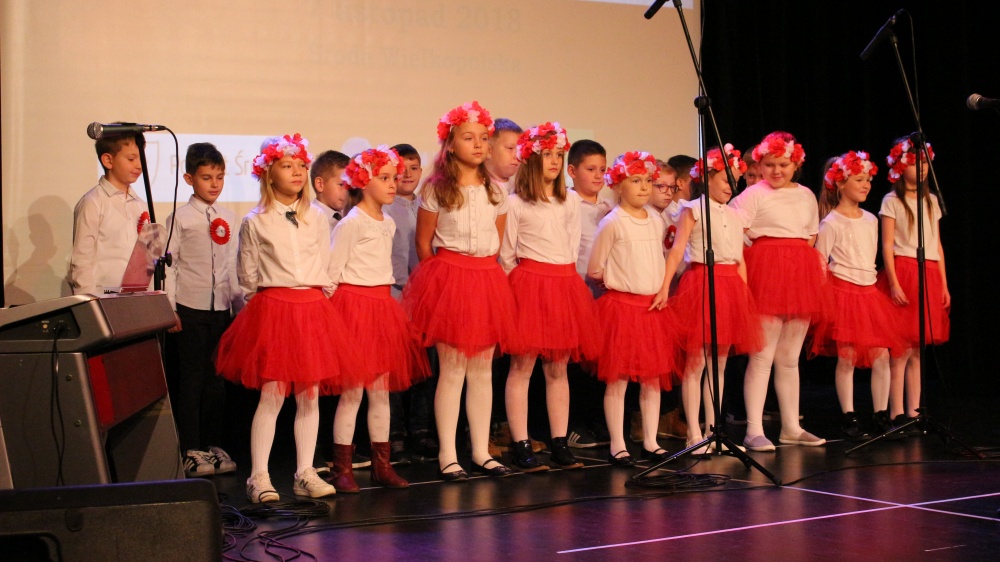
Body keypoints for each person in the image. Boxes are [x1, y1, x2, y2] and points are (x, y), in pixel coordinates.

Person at [215, 134, 352, 502]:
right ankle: (258, 476)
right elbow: (247, 277)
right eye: (287, 166)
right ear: (268, 173)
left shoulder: (317, 217)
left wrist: (314, 301)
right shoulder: (256, 220)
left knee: (309, 394)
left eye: (301, 166)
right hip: (275, 308)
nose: (296, 172)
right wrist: (272, 306)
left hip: (311, 308)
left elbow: (325, 265)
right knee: (273, 394)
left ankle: (304, 472)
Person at [403, 101, 518, 481]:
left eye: (484, 138)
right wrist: (440, 286)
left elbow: (496, 242)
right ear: (450, 145)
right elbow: (424, 243)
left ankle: (481, 451)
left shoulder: (496, 191)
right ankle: (448, 454)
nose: (479, 144)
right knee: (452, 371)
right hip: (450, 280)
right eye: (469, 138)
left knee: (482, 371)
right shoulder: (437, 188)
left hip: (485, 279)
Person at [325, 146, 431, 492]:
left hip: (382, 308)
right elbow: (332, 273)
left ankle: (381, 465)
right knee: (352, 393)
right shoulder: (352, 222)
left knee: (381, 392)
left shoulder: (388, 222)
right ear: (363, 182)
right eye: (384, 178)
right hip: (355, 309)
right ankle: (342, 467)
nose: (392, 184)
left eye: (393, 177)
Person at [501, 121, 601, 472]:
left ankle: (559, 441)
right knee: (522, 367)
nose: (556, 161)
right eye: (547, 155)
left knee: (558, 368)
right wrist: (520, 291)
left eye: (559, 154)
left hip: (563, 284)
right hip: (529, 285)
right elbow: (507, 255)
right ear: (532, 159)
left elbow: (572, 245)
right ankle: (521, 443)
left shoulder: (569, 200)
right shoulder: (515, 203)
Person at [729, 131, 828, 452]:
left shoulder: (806, 195)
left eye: (783, 165)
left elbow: (810, 235)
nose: (776, 171)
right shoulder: (753, 195)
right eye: (769, 165)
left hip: (798, 275)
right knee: (762, 355)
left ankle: (791, 427)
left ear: (795, 164)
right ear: (759, 165)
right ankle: (754, 430)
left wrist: (796, 264)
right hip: (765, 274)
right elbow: (734, 233)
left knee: (789, 357)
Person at [660, 145, 763, 454]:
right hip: (702, 283)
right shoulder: (692, 209)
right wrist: (664, 287)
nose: (731, 185)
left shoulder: (735, 214)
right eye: (725, 179)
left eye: (735, 180)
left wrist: (744, 296)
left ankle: (713, 430)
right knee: (695, 363)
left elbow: (739, 259)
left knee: (718, 365)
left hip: (730, 286)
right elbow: (677, 251)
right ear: (707, 177)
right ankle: (693, 433)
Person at [589, 151, 678, 465]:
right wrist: (617, 284)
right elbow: (595, 268)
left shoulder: (655, 219)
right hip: (622, 310)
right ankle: (618, 443)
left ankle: (651, 441)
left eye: (647, 181)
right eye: (635, 181)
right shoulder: (613, 222)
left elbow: (660, 259)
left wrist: (661, 288)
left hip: (652, 310)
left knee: (652, 379)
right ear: (618, 186)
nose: (643, 187)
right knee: (619, 379)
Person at [163, 142, 242, 477]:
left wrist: (238, 307)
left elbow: (233, 266)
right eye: (207, 177)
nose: (214, 184)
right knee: (191, 381)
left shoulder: (229, 217)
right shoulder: (179, 218)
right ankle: (190, 448)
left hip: (220, 309)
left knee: (216, 382)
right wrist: (169, 308)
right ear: (189, 179)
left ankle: (212, 444)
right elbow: (169, 266)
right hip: (190, 308)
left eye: (219, 177)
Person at [811, 151, 897, 440]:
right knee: (847, 357)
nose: (866, 185)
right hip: (843, 294)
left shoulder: (871, 219)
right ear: (841, 183)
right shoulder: (831, 222)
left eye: (868, 180)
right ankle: (849, 416)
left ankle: (881, 414)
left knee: (881, 355)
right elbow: (820, 262)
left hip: (869, 293)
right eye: (859, 180)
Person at [878, 137, 950, 431]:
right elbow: (887, 245)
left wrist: (944, 284)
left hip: (929, 272)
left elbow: (937, 244)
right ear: (899, 167)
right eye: (913, 163)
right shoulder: (892, 201)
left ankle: (915, 411)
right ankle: (896, 413)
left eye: (924, 163)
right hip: (905, 270)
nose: (920, 168)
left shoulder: (930, 200)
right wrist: (894, 283)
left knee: (917, 349)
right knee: (901, 349)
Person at [384, 143, 439, 464]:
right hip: (393, 295)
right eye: (400, 169)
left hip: (425, 298)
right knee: (394, 369)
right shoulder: (382, 207)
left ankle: (420, 430)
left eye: (414, 168)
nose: (407, 175)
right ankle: (394, 434)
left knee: (424, 367)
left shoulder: (428, 205)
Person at [564, 139, 613, 449]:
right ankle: (573, 425)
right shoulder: (567, 204)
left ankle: (597, 420)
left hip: (603, 295)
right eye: (591, 169)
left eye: (602, 170)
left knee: (598, 360)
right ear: (572, 171)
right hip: (575, 291)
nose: (598, 176)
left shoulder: (608, 208)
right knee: (573, 362)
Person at [70, 129, 150, 296]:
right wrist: (89, 302)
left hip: (136, 297)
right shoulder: (93, 202)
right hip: (102, 297)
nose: (139, 165)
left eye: (141, 158)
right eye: (131, 159)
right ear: (108, 160)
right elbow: (82, 260)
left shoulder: (140, 204)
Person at [310, 150, 351, 231]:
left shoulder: (349, 218)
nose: (347, 191)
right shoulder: (308, 219)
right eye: (341, 184)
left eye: (350, 186)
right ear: (320, 184)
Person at [486, 118, 523, 195]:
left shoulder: (520, 189)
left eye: (520, 150)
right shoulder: (479, 188)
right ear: (489, 150)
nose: (516, 156)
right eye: (510, 148)